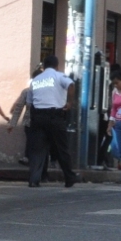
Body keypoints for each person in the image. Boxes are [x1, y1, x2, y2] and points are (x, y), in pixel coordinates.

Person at [27, 54, 77, 187]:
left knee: (37, 149)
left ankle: (34, 179)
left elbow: (29, 102)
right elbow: (71, 85)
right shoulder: (59, 76)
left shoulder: (35, 80)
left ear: (43, 66)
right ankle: (69, 177)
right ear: (57, 65)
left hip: (38, 117)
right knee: (62, 148)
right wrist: (70, 103)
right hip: (55, 116)